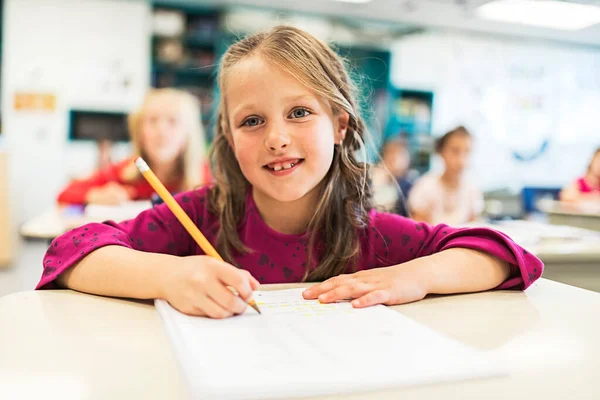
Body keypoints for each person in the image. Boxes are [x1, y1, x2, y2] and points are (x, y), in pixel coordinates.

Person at [38, 26, 542, 319]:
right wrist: (166, 274)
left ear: (340, 125)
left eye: (299, 112)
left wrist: (415, 277)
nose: (276, 137)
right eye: (252, 121)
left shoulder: (373, 236)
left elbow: (506, 255)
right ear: (230, 140)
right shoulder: (198, 217)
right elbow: (68, 252)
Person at [57, 88, 209, 205]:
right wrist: (97, 195)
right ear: (139, 133)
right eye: (152, 121)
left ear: (189, 135)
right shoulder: (123, 172)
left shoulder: (205, 180)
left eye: (173, 121)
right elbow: (65, 193)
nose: (161, 131)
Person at [408, 126, 483, 225]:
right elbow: (420, 234)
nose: (461, 160)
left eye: (467, 151)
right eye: (455, 151)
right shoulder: (425, 188)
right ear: (442, 152)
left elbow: (472, 232)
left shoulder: (472, 193)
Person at [371, 138, 412, 217]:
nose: (396, 160)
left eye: (401, 155)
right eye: (391, 154)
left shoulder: (407, 183)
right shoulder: (375, 176)